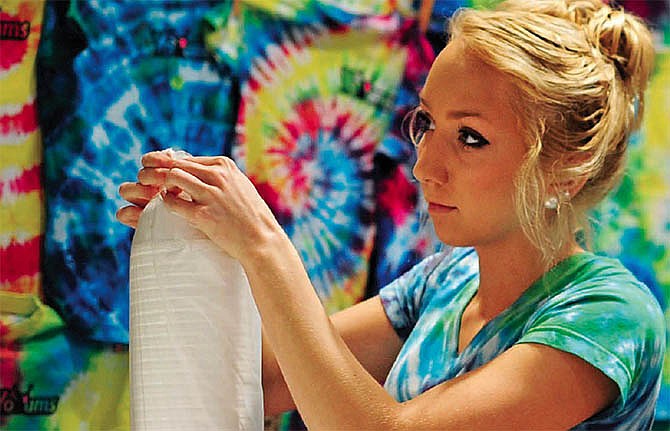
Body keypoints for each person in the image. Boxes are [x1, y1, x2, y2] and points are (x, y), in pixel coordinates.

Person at [117, 0, 666, 429]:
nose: (424, 166)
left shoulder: (611, 317)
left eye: (470, 138)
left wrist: (263, 243)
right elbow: (261, 379)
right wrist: (207, 237)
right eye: (426, 122)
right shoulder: (447, 280)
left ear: (564, 172)